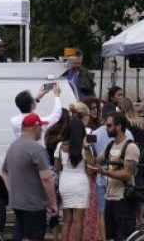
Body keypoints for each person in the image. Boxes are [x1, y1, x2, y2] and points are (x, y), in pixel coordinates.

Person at [2, 111, 59, 241]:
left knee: (21, 235)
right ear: (35, 127)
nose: (42, 131)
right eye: (41, 128)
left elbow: (4, 172)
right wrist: (53, 203)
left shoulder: (13, 147)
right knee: (34, 236)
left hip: (17, 202)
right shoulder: (36, 149)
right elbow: (46, 177)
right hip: (34, 205)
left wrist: (12, 190)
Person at [93, 112, 140, 241]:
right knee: (111, 236)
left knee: (125, 236)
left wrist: (105, 172)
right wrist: (86, 148)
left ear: (119, 126)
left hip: (123, 198)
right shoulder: (110, 145)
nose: (106, 129)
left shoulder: (131, 147)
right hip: (110, 198)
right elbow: (95, 162)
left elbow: (127, 174)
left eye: (109, 125)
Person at [54, 103, 95, 241]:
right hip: (80, 182)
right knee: (78, 221)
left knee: (67, 220)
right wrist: (88, 150)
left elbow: (57, 168)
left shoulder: (60, 146)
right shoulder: (85, 147)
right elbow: (90, 170)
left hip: (65, 182)